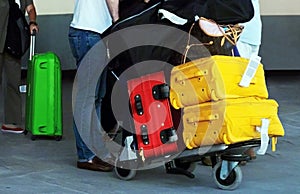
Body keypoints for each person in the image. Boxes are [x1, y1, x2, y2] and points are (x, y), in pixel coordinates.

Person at [68, 0, 119, 172]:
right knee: (87, 99)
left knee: (96, 98)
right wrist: (117, 19)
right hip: (89, 34)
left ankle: (95, 151)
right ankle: (86, 156)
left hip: (88, 34)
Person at [0, 0, 39, 133]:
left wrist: (32, 22)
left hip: (12, 40)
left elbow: (30, 8)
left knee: (13, 81)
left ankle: (12, 121)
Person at [236, 0, 262, 161]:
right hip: (249, 31)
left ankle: (239, 141)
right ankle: (247, 140)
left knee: (231, 87)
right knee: (246, 87)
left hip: (233, 31)